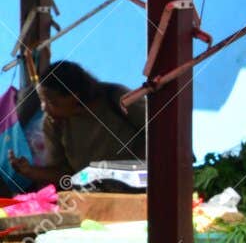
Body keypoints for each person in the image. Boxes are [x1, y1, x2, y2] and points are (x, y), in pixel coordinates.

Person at [7, 61, 146, 187]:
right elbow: (65, 175)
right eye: (42, 100)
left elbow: (160, 130)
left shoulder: (116, 99)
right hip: (96, 201)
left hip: (143, 196)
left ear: (75, 96)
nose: (44, 108)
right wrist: (30, 171)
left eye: (52, 102)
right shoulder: (54, 123)